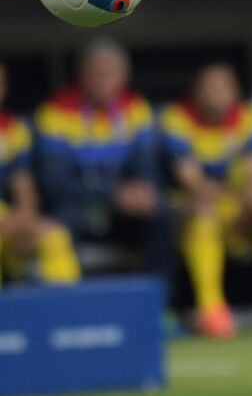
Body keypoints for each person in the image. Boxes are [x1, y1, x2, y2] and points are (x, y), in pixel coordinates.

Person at [161, 64, 252, 339]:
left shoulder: (251, 119)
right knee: (203, 209)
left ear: (235, 92)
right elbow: (192, 181)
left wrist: (250, 194)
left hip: (235, 209)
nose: (215, 94)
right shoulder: (177, 119)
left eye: (222, 88)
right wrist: (235, 190)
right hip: (191, 212)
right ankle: (211, 309)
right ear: (197, 93)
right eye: (208, 88)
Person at [34, 40, 169, 280]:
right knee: (60, 224)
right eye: (96, 73)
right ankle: (72, 306)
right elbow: (55, 180)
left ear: (124, 76)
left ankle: (158, 303)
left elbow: (147, 166)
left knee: (160, 214)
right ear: (82, 75)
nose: (102, 80)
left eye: (110, 73)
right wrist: (111, 194)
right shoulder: (55, 111)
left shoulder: (136, 108)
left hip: (124, 206)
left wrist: (142, 190)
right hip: (78, 204)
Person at [0, 61, 80, 288]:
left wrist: (23, 215)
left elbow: (23, 184)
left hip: (6, 221)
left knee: (54, 236)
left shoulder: (12, 130)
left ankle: (65, 317)